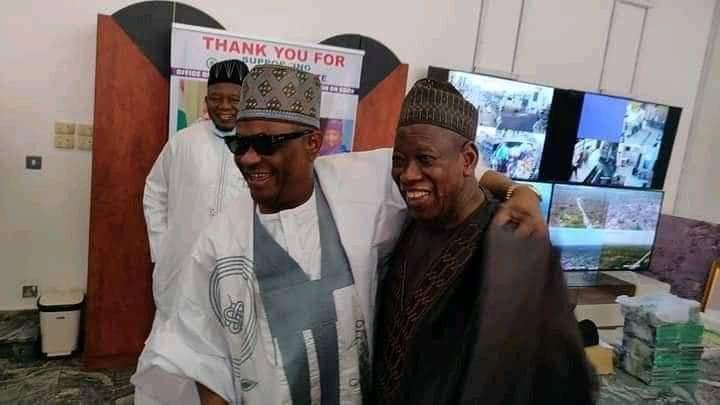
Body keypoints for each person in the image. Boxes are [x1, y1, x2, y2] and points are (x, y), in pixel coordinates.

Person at [131, 65, 546, 404]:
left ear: (313, 142)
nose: (249, 158)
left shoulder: (361, 183)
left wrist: (517, 192)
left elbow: (455, 165)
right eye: (240, 145)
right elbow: (201, 351)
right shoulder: (221, 240)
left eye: (268, 143)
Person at [372, 79, 596, 405]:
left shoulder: (514, 241)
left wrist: (521, 193)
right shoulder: (408, 220)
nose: (407, 175)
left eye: (425, 159)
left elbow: (559, 376)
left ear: (467, 160)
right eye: (399, 161)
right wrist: (516, 188)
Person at [133, 59, 250, 404]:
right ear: (206, 98)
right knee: (173, 347)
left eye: (234, 98)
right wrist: (163, 247)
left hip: (231, 269)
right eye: (216, 98)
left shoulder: (256, 147)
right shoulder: (183, 142)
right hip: (181, 265)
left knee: (224, 351)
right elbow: (155, 192)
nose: (224, 106)